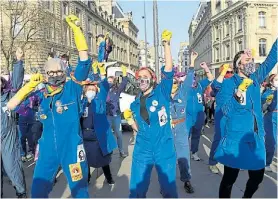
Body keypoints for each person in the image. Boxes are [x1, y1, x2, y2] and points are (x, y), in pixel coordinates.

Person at [7, 14, 91, 198]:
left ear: (64, 71)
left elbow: (84, 60)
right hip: (47, 150)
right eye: (51, 72)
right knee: (37, 191)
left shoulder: (72, 87)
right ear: (46, 74)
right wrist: (28, 87)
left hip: (72, 149)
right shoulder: (41, 93)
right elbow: (12, 105)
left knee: (80, 191)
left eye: (58, 71)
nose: (55, 74)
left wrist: (76, 29)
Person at [214, 39, 277, 198]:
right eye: (247, 61)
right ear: (238, 66)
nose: (251, 63)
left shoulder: (255, 78)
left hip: (255, 137)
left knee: (257, 177)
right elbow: (225, 110)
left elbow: (272, 58)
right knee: (229, 178)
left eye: (251, 60)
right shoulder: (228, 84)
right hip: (236, 139)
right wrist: (237, 95)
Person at [124, 30, 178, 198]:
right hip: (143, 149)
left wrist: (166, 45)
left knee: (169, 190)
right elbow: (138, 128)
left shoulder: (162, 92)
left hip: (164, 147)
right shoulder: (134, 103)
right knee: (137, 190)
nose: (142, 80)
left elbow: (168, 70)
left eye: (145, 77)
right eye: (139, 77)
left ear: (153, 79)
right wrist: (130, 121)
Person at [80, 62, 117, 185]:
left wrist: (102, 74)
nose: (90, 90)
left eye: (92, 89)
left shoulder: (99, 99)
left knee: (103, 159)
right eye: (88, 89)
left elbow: (105, 87)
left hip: (99, 136)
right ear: (85, 90)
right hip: (85, 136)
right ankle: (88, 178)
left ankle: (109, 177)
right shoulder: (82, 102)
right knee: (86, 160)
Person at [169, 51, 197, 193]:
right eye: (170, 82)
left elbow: (189, 79)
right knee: (167, 158)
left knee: (183, 156)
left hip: (180, 128)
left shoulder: (183, 93)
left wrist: (192, 62)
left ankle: (186, 181)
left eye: (175, 82)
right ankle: (167, 184)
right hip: (167, 130)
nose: (173, 85)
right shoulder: (162, 96)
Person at [1, 47, 27, 198]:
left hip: (8, 139)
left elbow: (17, 85)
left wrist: (19, 61)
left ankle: (21, 192)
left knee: (12, 168)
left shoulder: (8, 97)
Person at [208, 64, 234, 174]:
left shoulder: (234, 81)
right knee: (219, 138)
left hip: (234, 114)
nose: (229, 74)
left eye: (231, 72)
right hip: (221, 113)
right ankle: (212, 162)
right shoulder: (219, 83)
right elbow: (214, 87)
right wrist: (223, 73)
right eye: (227, 72)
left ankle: (231, 160)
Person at [187, 62, 214, 161]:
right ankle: (183, 155)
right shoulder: (184, 88)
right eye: (192, 78)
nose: (194, 80)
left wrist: (206, 67)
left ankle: (194, 152)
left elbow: (210, 78)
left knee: (196, 136)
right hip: (187, 117)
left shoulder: (200, 86)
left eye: (195, 77)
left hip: (199, 116)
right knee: (185, 136)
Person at [106, 65, 128, 157]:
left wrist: (124, 75)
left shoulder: (117, 90)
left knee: (118, 134)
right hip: (107, 115)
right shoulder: (104, 90)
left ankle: (121, 151)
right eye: (108, 81)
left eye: (111, 81)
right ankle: (108, 151)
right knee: (107, 134)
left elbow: (124, 84)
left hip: (116, 116)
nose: (110, 83)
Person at [261, 73, 277, 172]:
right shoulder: (268, 93)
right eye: (276, 80)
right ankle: (267, 162)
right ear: (271, 82)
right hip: (271, 117)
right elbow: (262, 108)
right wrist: (267, 103)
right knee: (271, 142)